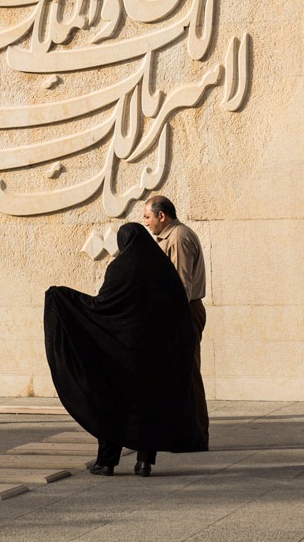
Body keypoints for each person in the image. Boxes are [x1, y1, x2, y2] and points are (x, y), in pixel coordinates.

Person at [44, 221, 206, 477]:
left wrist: (64, 299)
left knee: (113, 404)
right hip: (154, 355)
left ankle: (107, 462)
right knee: (149, 405)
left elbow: (102, 306)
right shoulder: (163, 270)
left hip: (121, 354)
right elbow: (178, 312)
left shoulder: (119, 269)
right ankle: (144, 463)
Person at [144, 194, 209, 435]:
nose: (146, 222)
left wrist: (170, 320)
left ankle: (198, 433)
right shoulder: (169, 237)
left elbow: (182, 286)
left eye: (148, 217)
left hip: (184, 312)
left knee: (188, 372)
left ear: (162, 215)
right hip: (178, 312)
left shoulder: (178, 237)